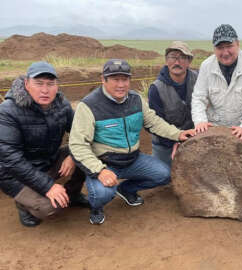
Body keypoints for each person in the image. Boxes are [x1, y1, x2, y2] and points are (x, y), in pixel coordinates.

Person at [69, 59, 195, 225]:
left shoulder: (136, 99)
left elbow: (153, 122)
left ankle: (126, 189)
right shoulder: (89, 106)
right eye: (115, 79)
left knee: (164, 174)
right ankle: (96, 207)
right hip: (104, 163)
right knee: (102, 193)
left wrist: (178, 134)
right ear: (103, 79)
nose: (121, 85)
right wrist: (100, 171)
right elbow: (78, 145)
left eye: (125, 79)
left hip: (132, 159)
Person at [0, 61, 89, 227]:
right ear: (26, 84)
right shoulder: (8, 111)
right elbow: (11, 159)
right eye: (39, 83)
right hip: (14, 175)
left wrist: (71, 155)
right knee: (51, 207)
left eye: (50, 84)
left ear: (57, 86)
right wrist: (48, 187)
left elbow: (80, 132)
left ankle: (73, 195)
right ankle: (24, 205)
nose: (45, 90)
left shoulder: (61, 105)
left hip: (48, 161)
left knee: (84, 155)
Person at [191, 24, 242, 143]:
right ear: (214, 48)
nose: (225, 53)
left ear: (238, 44)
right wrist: (200, 121)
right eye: (220, 48)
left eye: (229, 46)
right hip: (215, 131)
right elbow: (198, 98)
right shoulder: (206, 66)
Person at [148, 41, 197, 166]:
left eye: (182, 57)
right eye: (173, 57)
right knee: (163, 177)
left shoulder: (199, 79)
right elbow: (155, 124)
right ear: (166, 60)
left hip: (194, 139)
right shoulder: (156, 89)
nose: (177, 62)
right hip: (165, 143)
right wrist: (175, 141)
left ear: (189, 61)